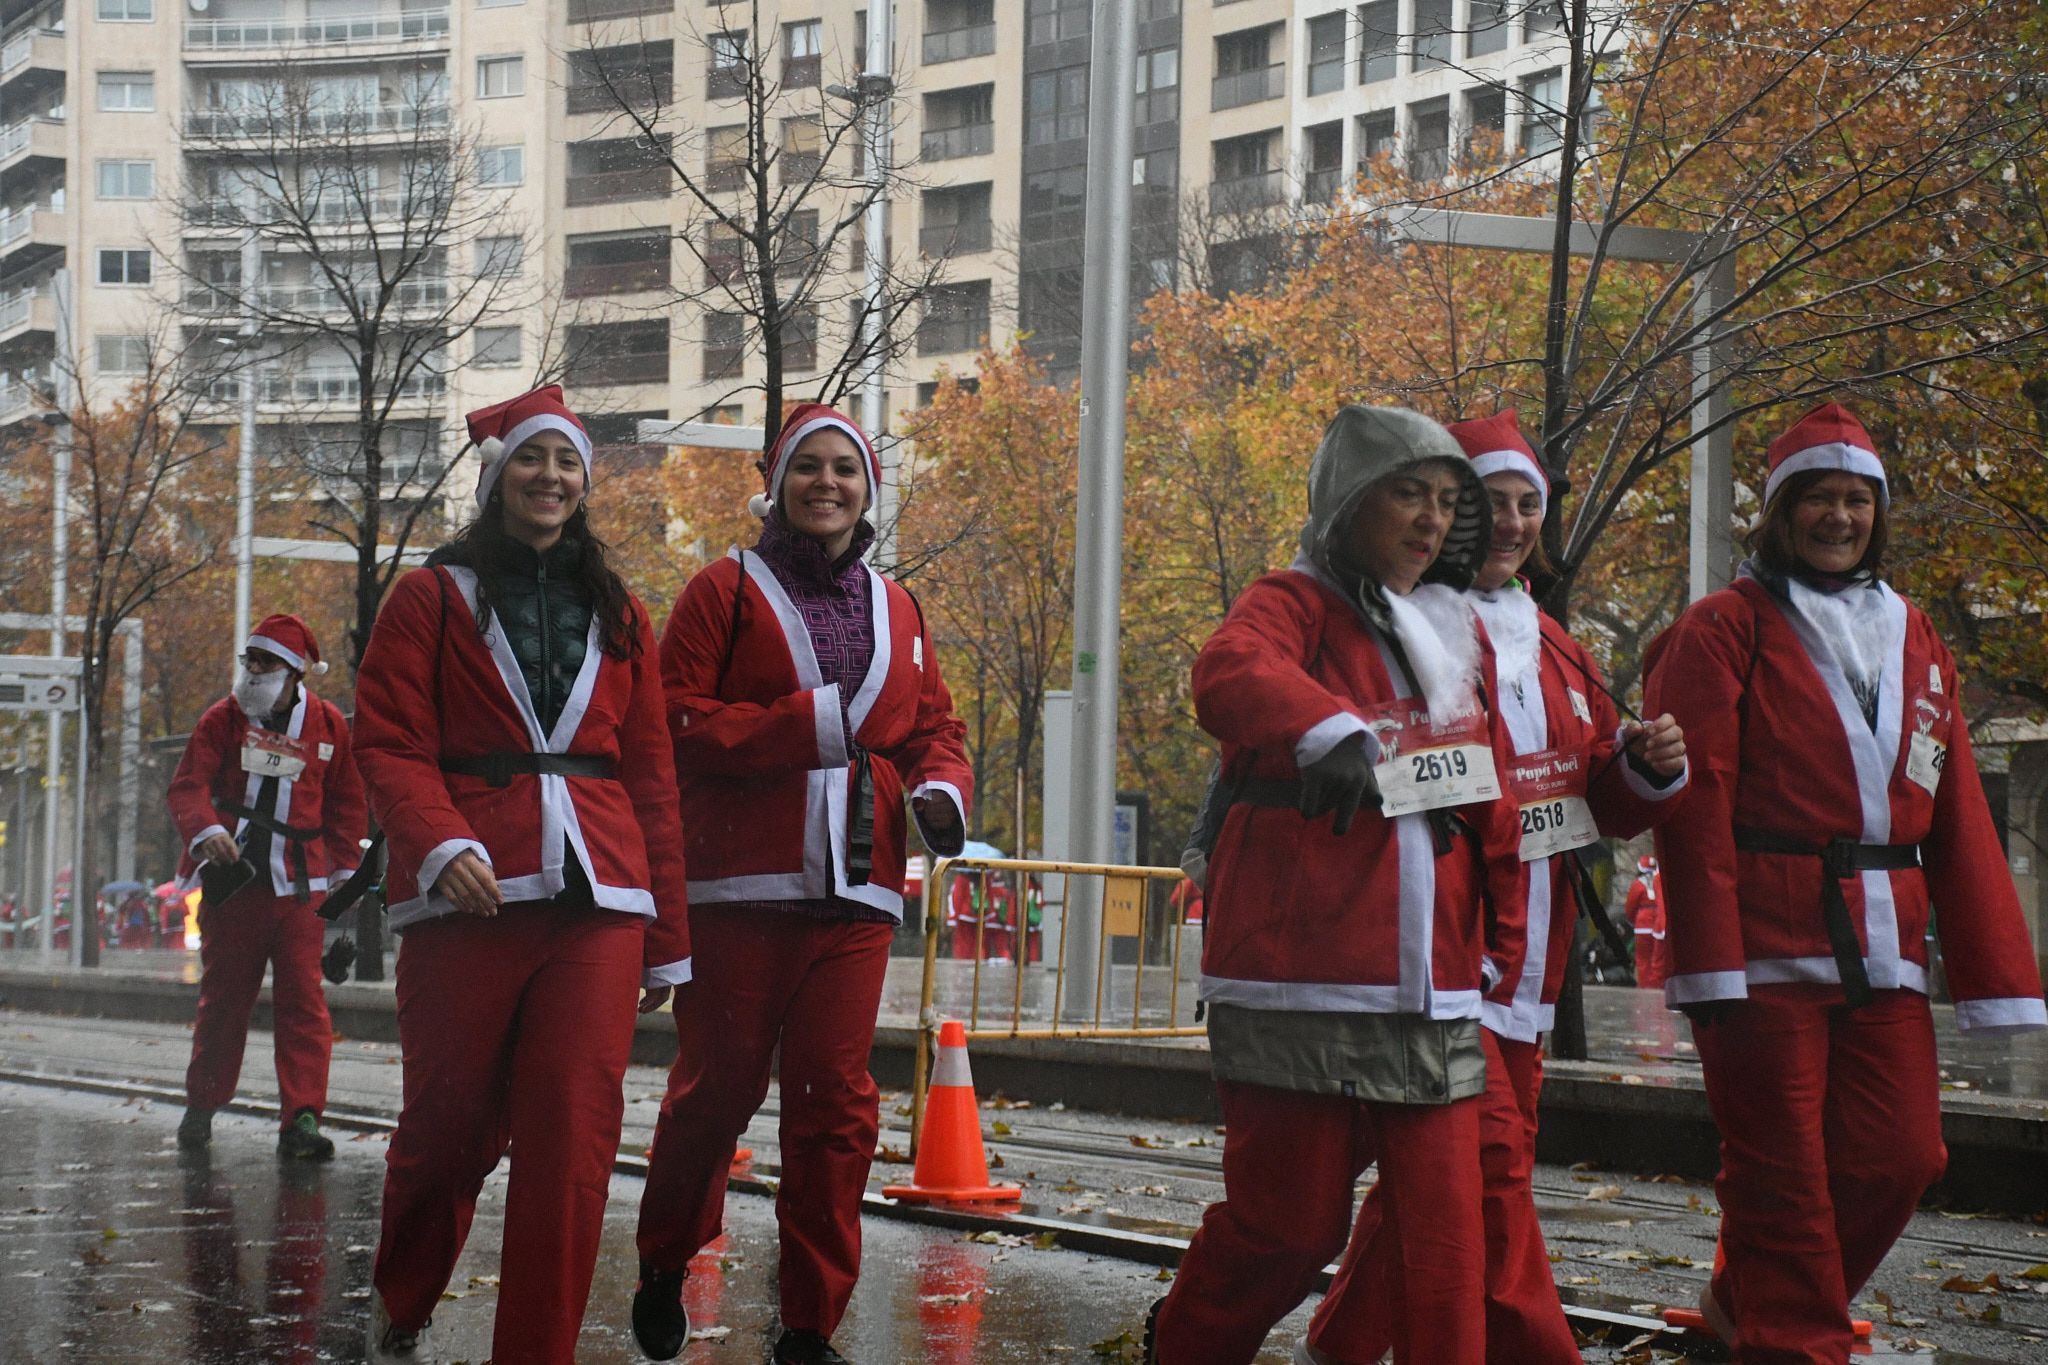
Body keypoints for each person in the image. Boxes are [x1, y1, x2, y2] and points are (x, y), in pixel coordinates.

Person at [1644, 401, 2047, 1364]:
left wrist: (1995, 968)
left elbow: (1952, 807)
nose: (1839, 517)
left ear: (1879, 512)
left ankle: (1742, 1300)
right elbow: (1694, 807)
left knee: (1902, 1156)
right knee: (1782, 1177)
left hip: (1885, 948)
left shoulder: (1912, 629)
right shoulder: (1720, 629)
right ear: (1780, 513)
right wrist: (1710, 964)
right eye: (1817, 498)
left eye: (1856, 499)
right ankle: (1796, 1343)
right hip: (1764, 949)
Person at [1295, 409, 1690, 1365]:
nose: (1509, 522)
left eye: (1526, 505)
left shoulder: (1561, 647)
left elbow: (1599, 797)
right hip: (1444, 948)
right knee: (1492, 1169)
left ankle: (1340, 1348)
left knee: (1437, 1184)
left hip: (1531, 963)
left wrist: (1647, 765)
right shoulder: (1406, 626)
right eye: (1489, 502)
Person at [1145, 406, 1528, 1365]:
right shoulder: (1292, 602)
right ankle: (1184, 1347)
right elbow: (1226, 671)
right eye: (1409, 492)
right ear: (1350, 500)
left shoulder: (1451, 629)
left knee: (1444, 1244)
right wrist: (1330, 729)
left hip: (1434, 985)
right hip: (1298, 977)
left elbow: (1491, 803)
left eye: (1447, 502)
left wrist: (1502, 948)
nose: (1432, 519)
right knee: (1290, 1225)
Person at [351, 385, 692, 1363]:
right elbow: (389, 740)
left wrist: (668, 937)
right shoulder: (429, 596)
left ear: (585, 483)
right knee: (446, 1132)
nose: (551, 477)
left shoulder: (620, 610)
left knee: (573, 1143)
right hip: (469, 895)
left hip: (599, 901)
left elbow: (651, 779)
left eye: (568, 462)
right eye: (533, 460)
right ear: (499, 477)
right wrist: (441, 842)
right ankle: (405, 1297)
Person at [632, 402, 972, 1365]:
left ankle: (809, 1322)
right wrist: (806, 727)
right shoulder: (720, 592)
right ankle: (665, 1262)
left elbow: (932, 728)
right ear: (777, 483)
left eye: (847, 471)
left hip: (859, 897)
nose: (828, 483)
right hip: (740, 894)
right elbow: (671, 722)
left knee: (838, 1107)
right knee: (715, 1096)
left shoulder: (899, 608)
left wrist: (941, 791)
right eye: (809, 468)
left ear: (868, 492)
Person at [165, 614, 367, 1159]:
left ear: (295, 673)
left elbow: (347, 806)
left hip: (301, 892)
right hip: (234, 891)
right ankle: (202, 1106)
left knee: (304, 1005)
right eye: (249, 661)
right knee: (224, 1002)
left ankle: (301, 1119)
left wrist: (346, 876)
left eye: (266, 663)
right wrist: (207, 832)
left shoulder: (328, 726)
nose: (254, 671)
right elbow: (188, 787)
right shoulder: (221, 720)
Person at [1625, 854, 1669, 989]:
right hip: (1660, 924)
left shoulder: (1638, 884)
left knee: (1643, 960)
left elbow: (1630, 907)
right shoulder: (1662, 880)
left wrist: (1633, 921)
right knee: (1658, 960)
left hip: (1643, 925)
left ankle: (1646, 987)